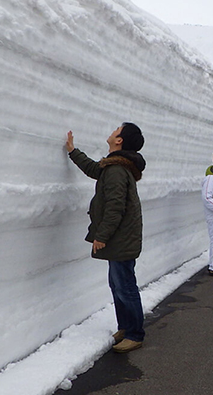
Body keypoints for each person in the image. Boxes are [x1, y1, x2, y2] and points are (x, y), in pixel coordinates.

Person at [65, 123, 146, 353]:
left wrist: (102, 236)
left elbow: (115, 207)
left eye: (116, 129)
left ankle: (134, 334)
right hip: (121, 238)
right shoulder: (114, 167)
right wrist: (73, 151)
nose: (112, 131)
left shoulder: (117, 170)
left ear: (119, 140)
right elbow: (94, 169)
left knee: (125, 286)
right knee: (117, 284)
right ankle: (126, 327)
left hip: (120, 239)